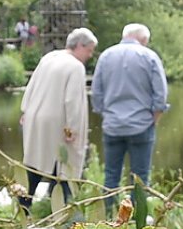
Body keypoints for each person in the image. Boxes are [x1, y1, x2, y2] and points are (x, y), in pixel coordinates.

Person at [90, 23, 169, 218]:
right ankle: (137, 220)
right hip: (141, 125)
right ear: (143, 40)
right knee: (140, 178)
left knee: (111, 175)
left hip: (112, 126)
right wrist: (155, 117)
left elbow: (96, 92)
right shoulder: (149, 56)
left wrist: (106, 114)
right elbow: (160, 94)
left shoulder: (106, 56)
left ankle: (109, 217)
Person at [19, 27, 97, 209]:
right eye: (89, 50)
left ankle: (24, 207)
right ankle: (59, 208)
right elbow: (73, 102)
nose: (90, 55)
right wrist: (72, 130)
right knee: (63, 165)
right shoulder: (75, 66)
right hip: (57, 122)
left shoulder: (50, 57)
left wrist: (25, 110)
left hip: (35, 117)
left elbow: (31, 85)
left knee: (34, 162)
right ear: (79, 45)